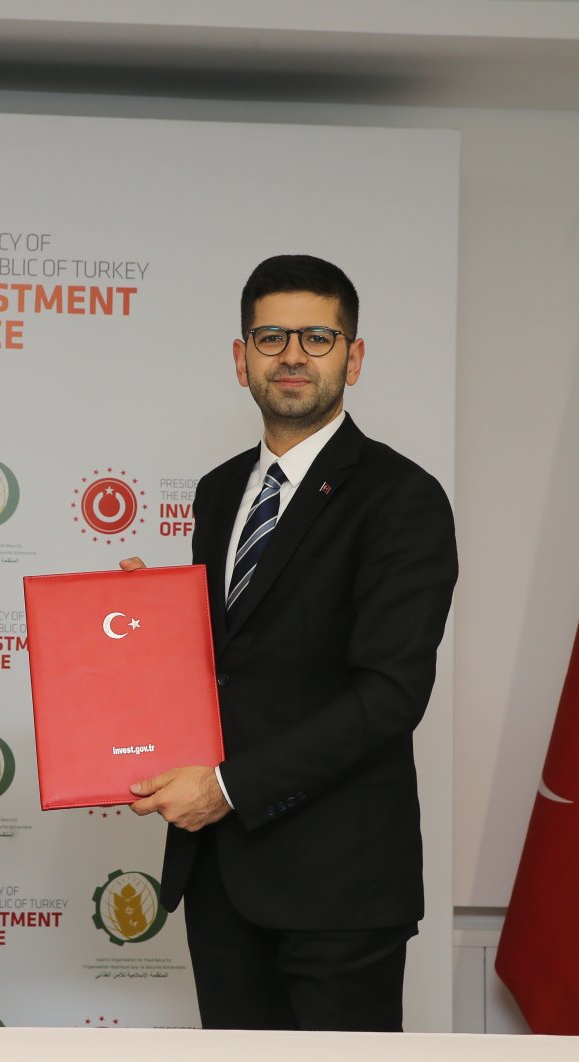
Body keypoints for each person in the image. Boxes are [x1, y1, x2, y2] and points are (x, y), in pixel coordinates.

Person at [123, 254, 457, 1031]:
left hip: (339, 889)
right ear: (240, 359)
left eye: (318, 336)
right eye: (271, 337)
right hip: (220, 879)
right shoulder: (217, 491)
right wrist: (151, 626)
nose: (294, 356)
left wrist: (229, 787)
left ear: (355, 356)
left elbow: (389, 694)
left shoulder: (401, 498)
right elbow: (233, 664)